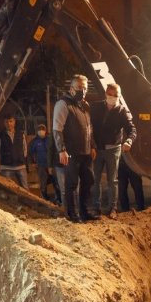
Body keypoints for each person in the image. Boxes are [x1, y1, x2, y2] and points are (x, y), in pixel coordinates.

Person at [52, 74, 97, 223]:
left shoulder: (85, 106)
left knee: (88, 181)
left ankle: (86, 212)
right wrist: (61, 150)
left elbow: (89, 129)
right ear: (71, 89)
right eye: (79, 88)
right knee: (71, 184)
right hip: (70, 153)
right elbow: (57, 129)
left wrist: (92, 146)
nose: (82, 91)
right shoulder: (63, 104)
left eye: (84, 88)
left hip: (85, 153)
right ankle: (73, 215)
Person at [90, 83, 136, 219]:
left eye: (116, 95)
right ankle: (96, 208)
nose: (113, 97)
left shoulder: (122, 111)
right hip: (97, 149)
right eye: (110, 94)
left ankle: (113, 208)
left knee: (112, 181)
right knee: (95, 179)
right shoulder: (96, 107)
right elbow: (88, 125)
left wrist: (129, 141)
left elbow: (132, 129)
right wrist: (91, 145)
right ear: (106, 93)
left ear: (119, 96)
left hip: (113, 150)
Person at [0, 115, 28, 189]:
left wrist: (21, 157)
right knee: (7, 188)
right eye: (6, 122)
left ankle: (25, 201)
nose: (9, 123)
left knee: (25, 188)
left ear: (14, 122)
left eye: (11, 121)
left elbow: (25, 148)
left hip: (20, 166)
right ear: (4, 123)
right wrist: (4, 160)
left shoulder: (21, 134)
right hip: (6, 167)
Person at [28, 123, 59, 201]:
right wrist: (32, 162)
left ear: (45, 130)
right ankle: (45, 199)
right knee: (43, 183)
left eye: (43, 129)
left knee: (56, 182)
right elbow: (30, 153)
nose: (41, 131)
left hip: (52, 165)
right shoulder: (34, 142)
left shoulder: (50, 139)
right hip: (41, 165)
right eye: (39, 129)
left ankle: (58, 199)